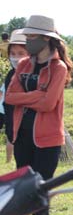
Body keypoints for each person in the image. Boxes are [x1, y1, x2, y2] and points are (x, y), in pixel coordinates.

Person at [4, 15, 73, 215]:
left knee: (39, 193)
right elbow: (10, 98)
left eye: (32, 37)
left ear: (46, 39)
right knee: (23, 193)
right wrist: (37, 95)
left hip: (47, 141)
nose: (28, 41)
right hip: (22, 137)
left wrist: (27, 96)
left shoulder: (59, 68)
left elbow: (48, 104)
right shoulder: (24, 64)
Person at [0, 30, 28, 165]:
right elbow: (8, 101)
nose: (16, 58)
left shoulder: (33, 74)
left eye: (21, 53)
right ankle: (9, 160)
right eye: (13, 54)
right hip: (15, 126)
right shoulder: (10, 75)